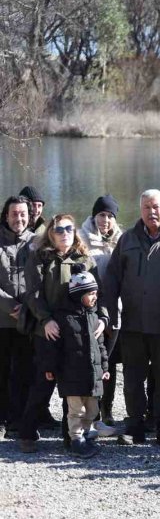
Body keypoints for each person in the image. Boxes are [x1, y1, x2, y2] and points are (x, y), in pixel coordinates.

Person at [105, 190, 160, 448]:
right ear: (140, 210)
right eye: (146, 208)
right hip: (133, 323)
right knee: (133, 378)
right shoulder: (127, 239)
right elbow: (112, 279)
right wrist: (109, 316)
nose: (152, 212)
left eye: (156, 207)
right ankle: (135, 426)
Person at [19, 214, 108, 453]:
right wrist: (46, 320)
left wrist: (102, 318)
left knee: (74, 385)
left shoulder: (84, 258)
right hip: (48, 331)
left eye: (69, 228)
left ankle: (72, 436)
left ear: (75, 231)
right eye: (59, 229)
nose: (64, 233)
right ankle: (27, 432)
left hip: (78, 333)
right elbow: (33, 294)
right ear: (50, 233)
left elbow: (99, 292)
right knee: (43, 382)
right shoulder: (39, 258)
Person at [43, 272, 109, 459]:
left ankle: (86, 434)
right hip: (71, 374)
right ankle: (76, 439)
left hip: (93, 374)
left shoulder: (94, 317)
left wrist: (104, 368)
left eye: (96, 293)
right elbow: (54, 347)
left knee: (93, 409)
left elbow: (101, 345)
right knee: (76, 410)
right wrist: (50, 367)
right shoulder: (63, 318)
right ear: (78, 295)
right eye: (91, 294)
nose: (95, 297)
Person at [78, 195, 122, 434]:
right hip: (90, 310)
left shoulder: (122, 239)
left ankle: (108, 410)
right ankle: (87, 415)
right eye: (101, 215)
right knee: (90, 361)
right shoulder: (81, 238)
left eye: (110, 216)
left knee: (109, 362)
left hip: (114, 310)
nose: (105, 220)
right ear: (94, 216)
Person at [0, 196, 35, 439]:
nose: (19, 218)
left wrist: (29, 307)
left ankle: (20, 419)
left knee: (25, 370)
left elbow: (44, 279)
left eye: (23, 214)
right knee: (1, 370)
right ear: (6, 216)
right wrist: (11, 305)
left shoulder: (37, 243)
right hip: (2, 319)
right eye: (14, 214)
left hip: (29, 319)